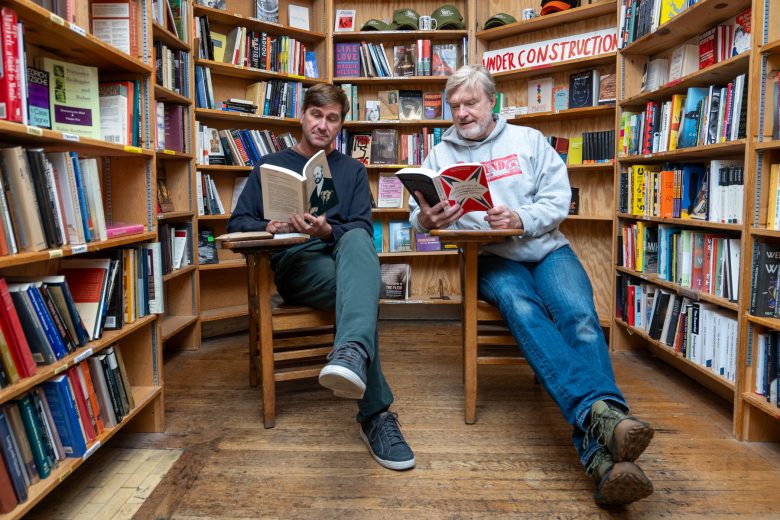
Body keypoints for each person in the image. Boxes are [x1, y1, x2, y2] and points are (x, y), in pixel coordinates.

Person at [408, 65, 655, 506]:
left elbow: (559, 201)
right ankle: (605, 428)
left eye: (471, 103)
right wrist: (427, 220)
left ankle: (603, 453)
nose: (462, 113)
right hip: (487, 259)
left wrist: (521, 218)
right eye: (455, 105)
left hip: (545, 249)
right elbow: (418, 215)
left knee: (580, 318)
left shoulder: (529, 141)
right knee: (524, 310)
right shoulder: (439, 154)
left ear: (492, 103)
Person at [228, 83, 415, 471]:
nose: (323, 125)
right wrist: (272, 226)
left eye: (332, 119)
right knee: (361, 292)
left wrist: (328, 231)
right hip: (297, 264)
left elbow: (361, 227)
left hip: (342, 256)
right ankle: (375, 412)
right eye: (317, 115)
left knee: (358, 241)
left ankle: (353, 361)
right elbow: (237, 223)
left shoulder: (353, 171)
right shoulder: (269, 164)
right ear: (302, 115)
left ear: (340, 125)